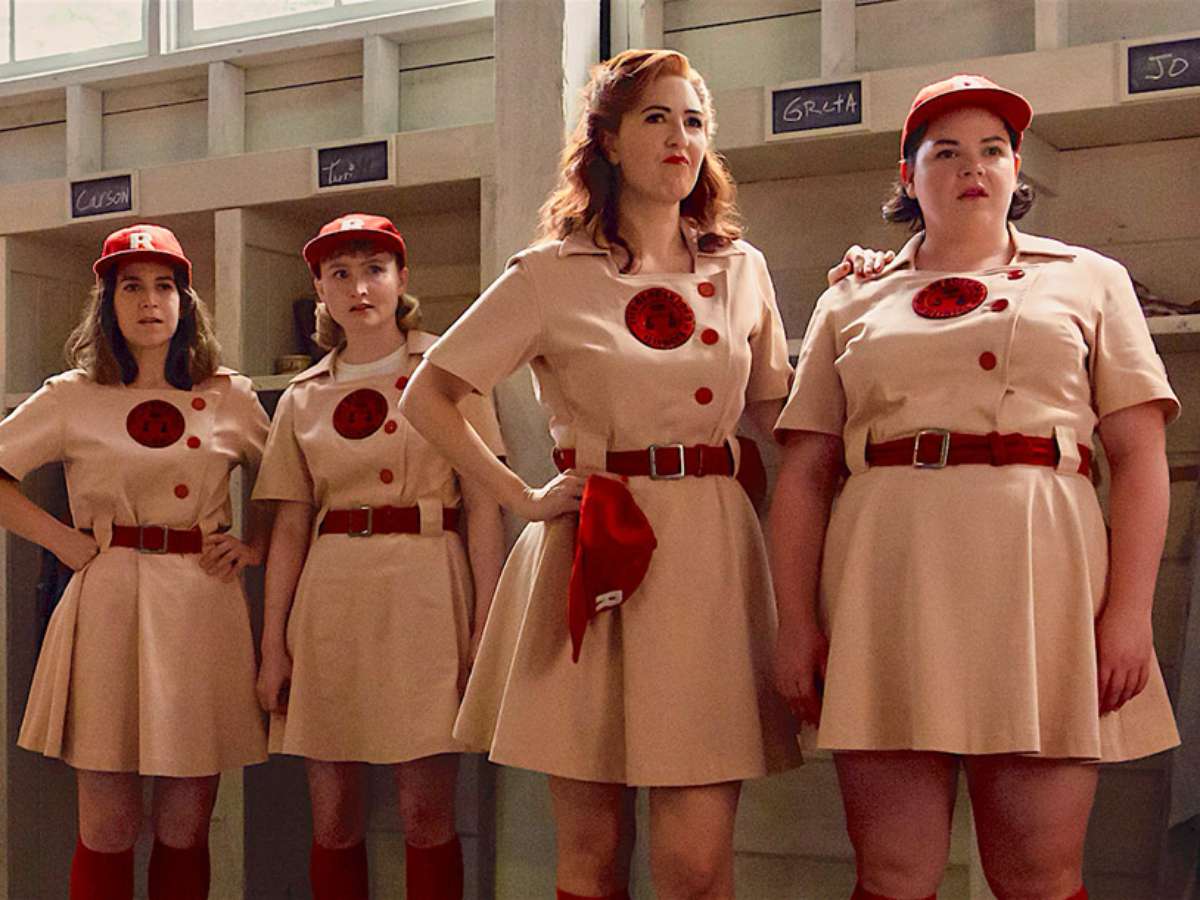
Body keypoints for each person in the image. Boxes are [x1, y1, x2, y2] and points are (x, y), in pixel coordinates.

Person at [401, 48, 803, 900]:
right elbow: (429, 395)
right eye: (656, 118)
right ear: (609, 142)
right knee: (592, 853)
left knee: (696, 863)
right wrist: (520, 497)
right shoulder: (549, 274)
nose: (679, 137)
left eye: (693, 121)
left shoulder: (742, 269)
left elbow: (781, 419)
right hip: (593, 551)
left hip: (710, 556)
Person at [770, 74, 1180, 900]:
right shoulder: (851, 297)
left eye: (993, 150)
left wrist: (1129, 612)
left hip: (1042, 585)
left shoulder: (1090, 278)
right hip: (888, 584)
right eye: (946, 152)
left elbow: (1141, 457)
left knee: (1040, 874)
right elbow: (806, 475)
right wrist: (795, 624)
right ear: (908, 176)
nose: (973, 167)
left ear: (1017, 169)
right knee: (892, 873)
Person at [0, 224, 269, 899]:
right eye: (131, 287)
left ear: (184, 300)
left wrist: (255, 542)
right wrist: (60, 540)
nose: (150, 301)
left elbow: (290, 483)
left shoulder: (230, 394)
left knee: (186, 824)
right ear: (108, 303)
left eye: (164, 285)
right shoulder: (71, 395)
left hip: (202, 604)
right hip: (110, 602)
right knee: (108, 824)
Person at [252, 213, 505, 900]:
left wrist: (486, 627)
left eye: (373, 270)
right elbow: (290, 527)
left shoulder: (449, 373)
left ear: (401, 279)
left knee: (427, 812)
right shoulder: (303, 396)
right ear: (320, 290)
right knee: (333, 817)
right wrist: (273, 645)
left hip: (427, 589)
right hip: (331, 600)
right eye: (340, 274)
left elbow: (485, 506)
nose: (359, 288)